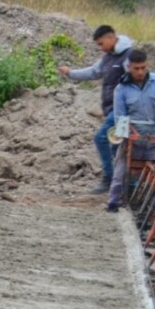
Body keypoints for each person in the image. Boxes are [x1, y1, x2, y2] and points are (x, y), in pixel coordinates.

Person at [59, 25, 134, 194]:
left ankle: (109, 178)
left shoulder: (128, 57)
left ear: (111, 38)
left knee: (101, 138)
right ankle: (123, 184)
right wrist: (71, 73)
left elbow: (135, 82)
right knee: (117, 146)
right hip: (111, 110)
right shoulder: (108, 57)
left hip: (122, 112)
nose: (101, 48)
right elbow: (94, 72)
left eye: (101, 44)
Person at [106, 49, 155, 212]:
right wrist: (129, 134)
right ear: (129, 67)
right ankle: (113, 202)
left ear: (147, 65)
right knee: (120, 170)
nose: (140, 72)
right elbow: (120, 118)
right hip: (133, 139)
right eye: (136, 68)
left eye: (143, 68)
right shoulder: (121, 89)